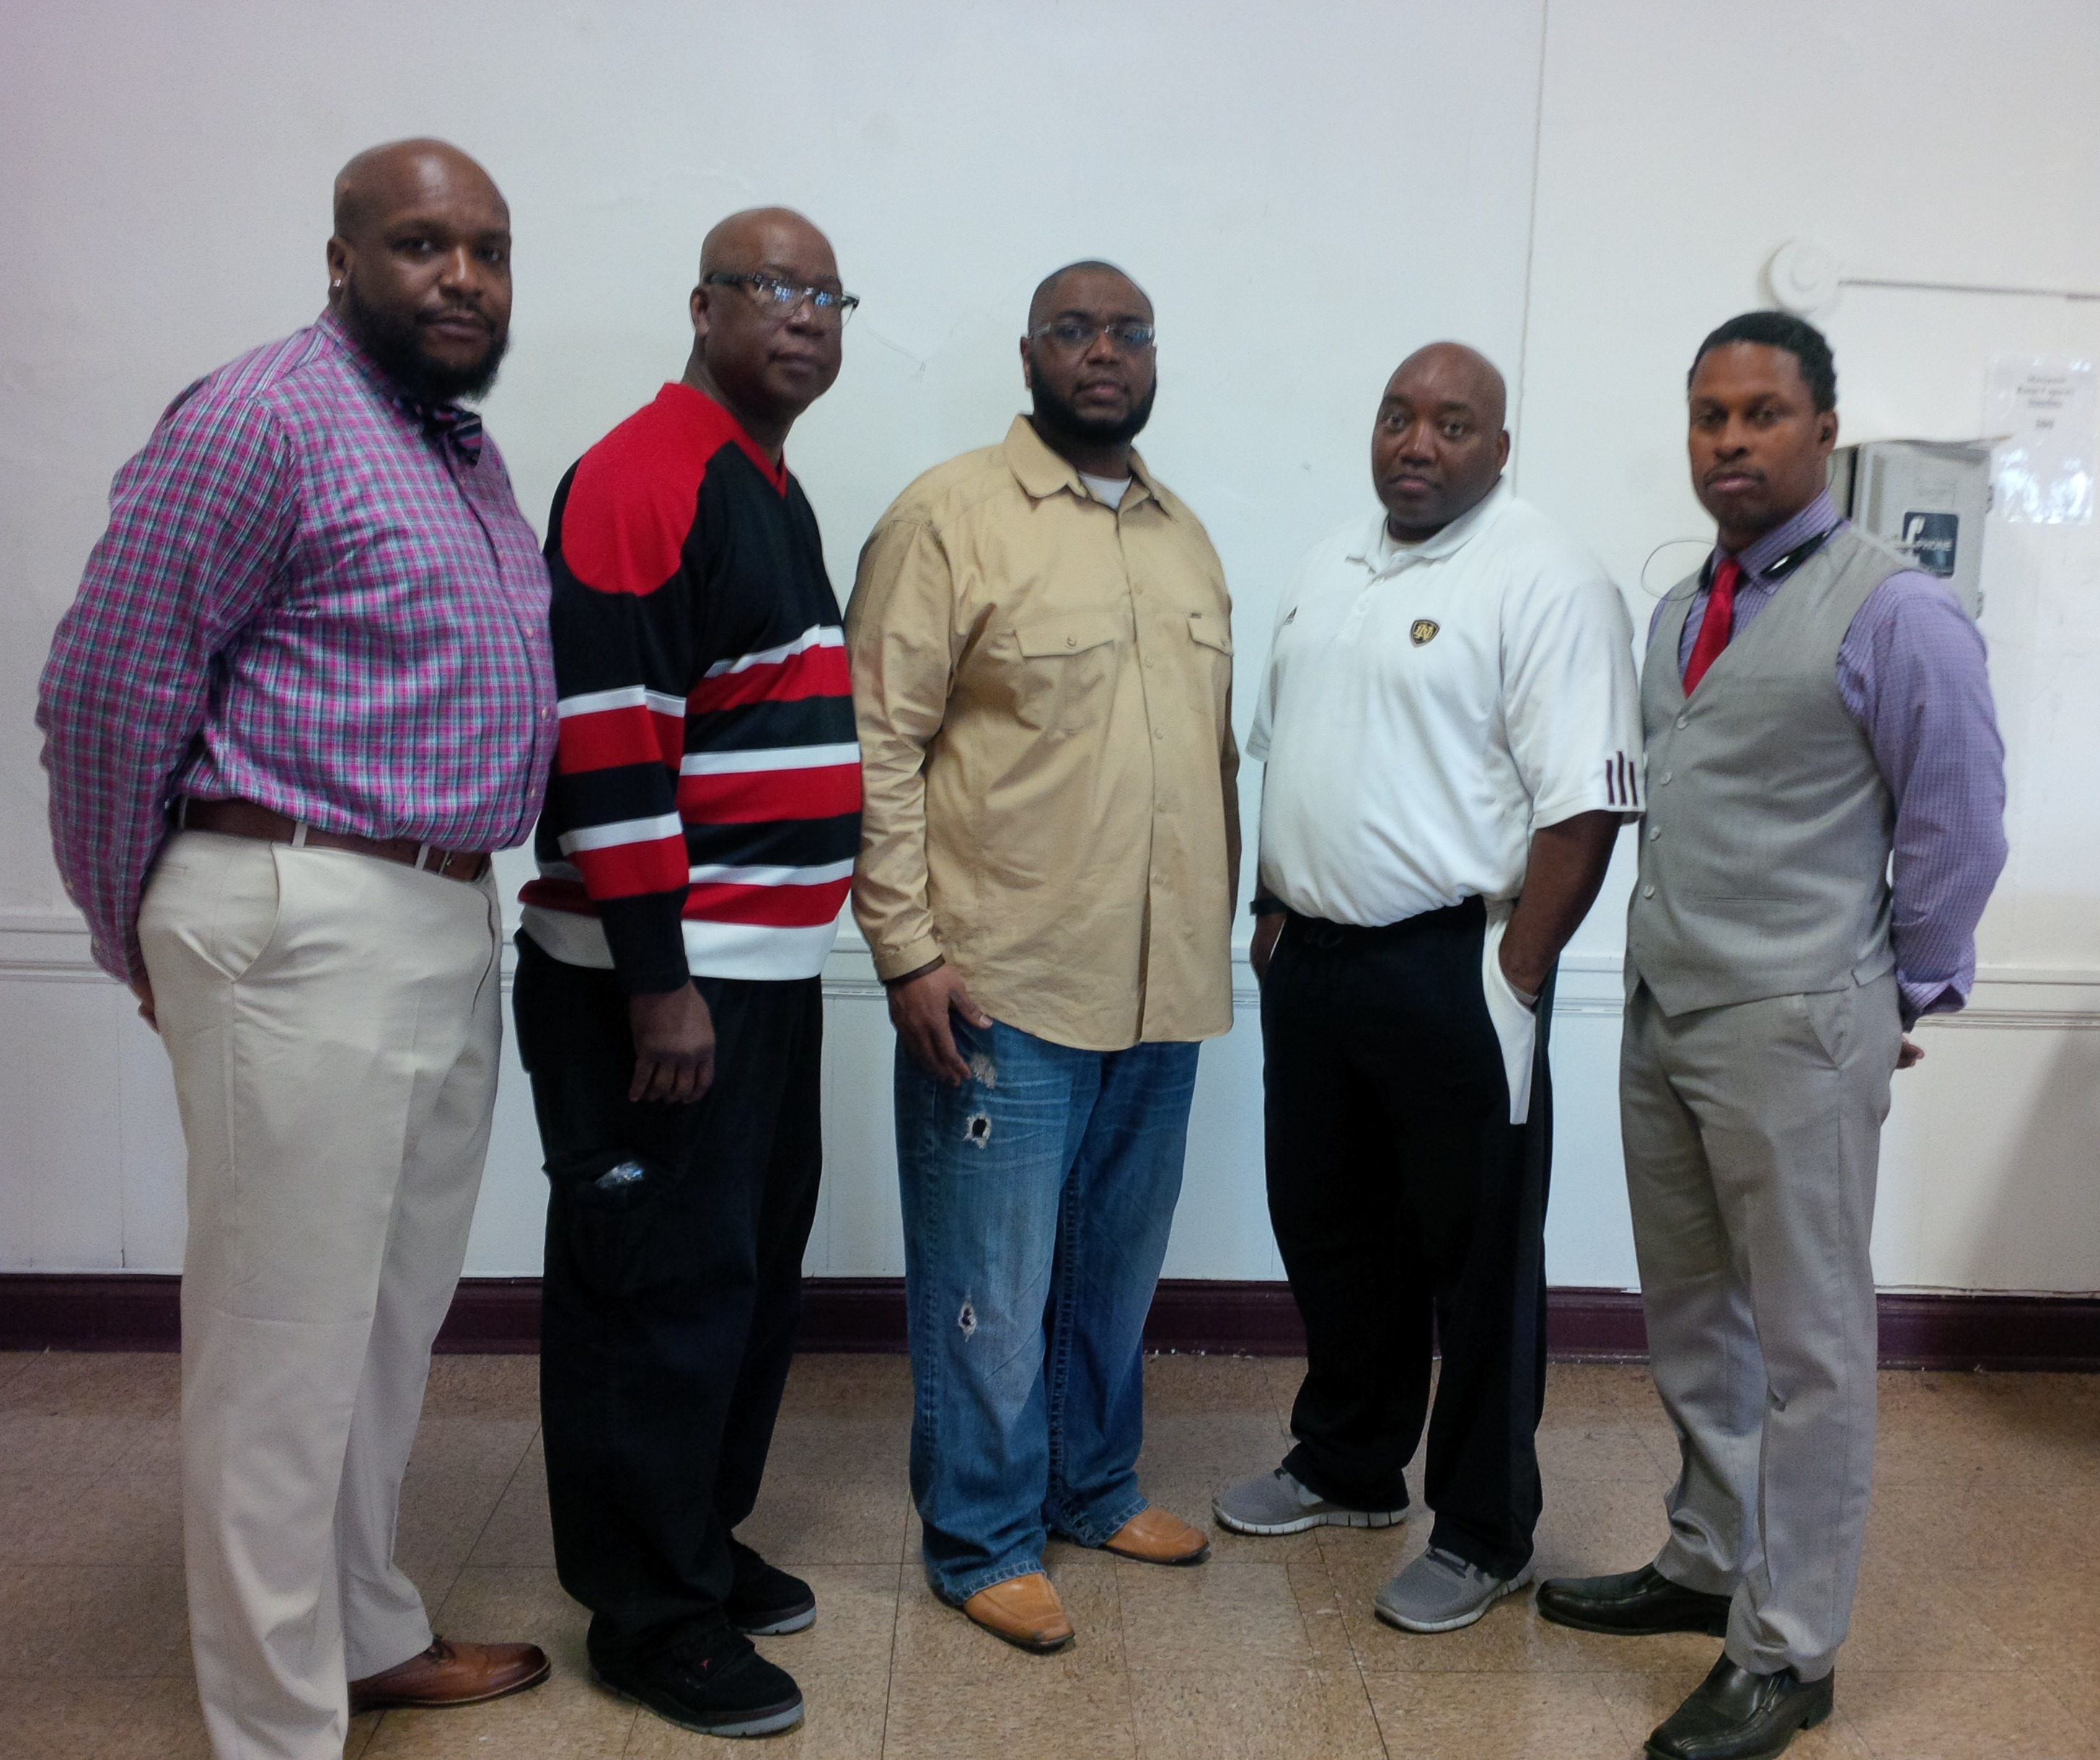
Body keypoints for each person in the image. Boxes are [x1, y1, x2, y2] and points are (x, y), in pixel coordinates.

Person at [35, 139, 553, 1760]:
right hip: (295, 906)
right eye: (418, 243)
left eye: (486, 247)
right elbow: (107, 688)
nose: (460, 276)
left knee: (384, 1321)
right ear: (340, 261)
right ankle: (273, 1726)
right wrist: (139, 924)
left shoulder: (454, 446)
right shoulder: (261, 416)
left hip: (438, 909)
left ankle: (364, 1627)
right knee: (279, 1349)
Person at [1535, 312, 2007, 1760]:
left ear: (1822, 431)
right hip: (1673, 1012)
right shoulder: (1686, 605)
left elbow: (1960, 825)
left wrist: (1898, 991)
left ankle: (1791, 1649)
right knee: (1695, 1315)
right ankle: (1704, 1559)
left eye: (1760, 415)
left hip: (1797, 1023)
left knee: (1809, 1348)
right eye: (1707, 417)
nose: (1729, 441)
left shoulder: (1897, 611)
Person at [1213, 343, 1643, 1633]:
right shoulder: (1331, 563)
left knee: (1481, 1260)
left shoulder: (1548, 577)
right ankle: (1349, 1465)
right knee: (1334, 1227)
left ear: (1498, 448)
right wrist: (1271, 912)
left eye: (1453, 425)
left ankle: (1486, 1526)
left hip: (1456, 964)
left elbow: (1585, 805)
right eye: (1398, 416)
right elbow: (1279, 749)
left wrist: (1514, 975)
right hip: (1318, 964)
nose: (1417, 442)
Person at [846, 260, 1237, 1653]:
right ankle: (983, 1540)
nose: (1104, 352)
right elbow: (879, 743)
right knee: (990, 1296)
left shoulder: (1184, 536)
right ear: (1027, 354)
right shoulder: (949, 517)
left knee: (1112, 1276)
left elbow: (1212, 761)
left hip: (1159, 988)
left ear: (1154, 356)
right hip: (1002, 983)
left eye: (1130, 330)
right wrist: (903, 949)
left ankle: (1094, 1485)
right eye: (1074, 330)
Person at [511, 208, 860, 1739]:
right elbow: (610, 738)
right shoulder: (649, 471)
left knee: (739, 1285)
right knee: (651, 1298)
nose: (805, 316)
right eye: (772, 289)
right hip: (655, 987)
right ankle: (648, 1615)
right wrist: (658, 980)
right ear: (703, 305)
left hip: (757, 977)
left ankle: (695, 1548)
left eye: (829, 295)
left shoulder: (764, 478)